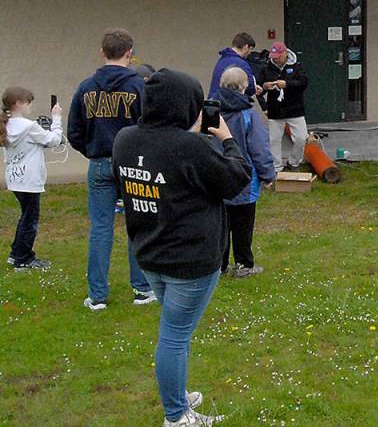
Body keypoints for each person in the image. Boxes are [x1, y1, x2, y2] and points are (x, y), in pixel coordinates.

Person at [111, 69, 252, 426]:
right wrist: (228, 139)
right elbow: (236, 179)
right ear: (185, 106)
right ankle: (176, 416)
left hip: (149, 251)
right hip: (190, 259)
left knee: (178, 331)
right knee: (174, 336)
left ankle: (177, 395)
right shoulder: (189, 147)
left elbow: (161, 168)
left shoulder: (125, 139)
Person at [68, 28, 154, 310]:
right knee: (138, 226)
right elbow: (151, 126)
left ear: (102, 52)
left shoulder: (85, 88)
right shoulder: (139, 87)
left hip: (99, 163)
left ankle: (97, 296)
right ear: (130, 53)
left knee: (101, 229)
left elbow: (74, 132)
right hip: (133, 163)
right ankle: (142, 289)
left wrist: (93, 150)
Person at [216, 67, 276, 275]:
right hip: (243, 178)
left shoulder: (211, 111)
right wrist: (268, 175)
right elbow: (259, 148)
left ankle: (219, 265)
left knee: (221, 225)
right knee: (243, 225)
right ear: (243, 88)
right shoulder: (248, 114)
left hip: (217, 177)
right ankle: (243, 264)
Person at [2, 87, 63, 271]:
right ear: (19, 104)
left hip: (15, 177)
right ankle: (23, 258)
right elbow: (53, 139)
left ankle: (16, 253)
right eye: (28, 102)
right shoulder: (29, 126)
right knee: (30, 219)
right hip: (29, 178)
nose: (30, 106)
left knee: (25, 216)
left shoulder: (7, 124)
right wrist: (57, 119)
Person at [258, 41, 309, 172]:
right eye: (273, 57)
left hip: (295, 109)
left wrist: (286, 84)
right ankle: (276, 167)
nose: (275, 59)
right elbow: (259, 89)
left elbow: (303, 83)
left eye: (278, 56)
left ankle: (294, 162)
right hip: (275, 110)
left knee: (301, 138)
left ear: (285, 53)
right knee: (274, 140)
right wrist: (264, 87)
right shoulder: (266, 68)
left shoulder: (297, 66)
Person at [208, 32, 260, 98]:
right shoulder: (242, 64)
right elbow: (250, 88)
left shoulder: (222, 60)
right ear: (246, 47)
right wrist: (254, 88)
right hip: (229, 104)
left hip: (214, 102)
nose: (250, 53)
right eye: (251, 49)